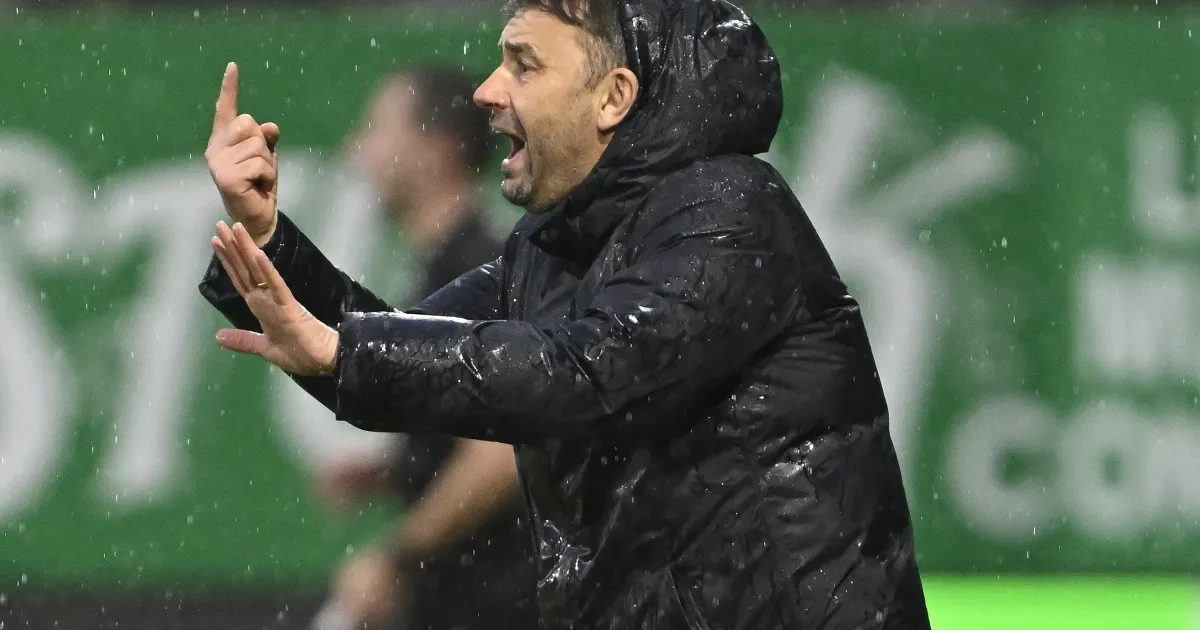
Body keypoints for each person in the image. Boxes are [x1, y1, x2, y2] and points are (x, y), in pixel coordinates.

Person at [198, 0, 933, 626]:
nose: (487, 91)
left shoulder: (729, 209)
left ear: (613, 97)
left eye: (524, 65)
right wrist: (267, 240)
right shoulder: (551, 247)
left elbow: (589, 375)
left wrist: (349, 357)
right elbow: (401, 350)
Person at [307, 67, 539, 630]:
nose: (355, 148)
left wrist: (396, 557)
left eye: (376, 128)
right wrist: (400, 470)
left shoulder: (474, 270)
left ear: (436, 150)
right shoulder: (453, 268)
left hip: (500, 604)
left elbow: (504, 451)